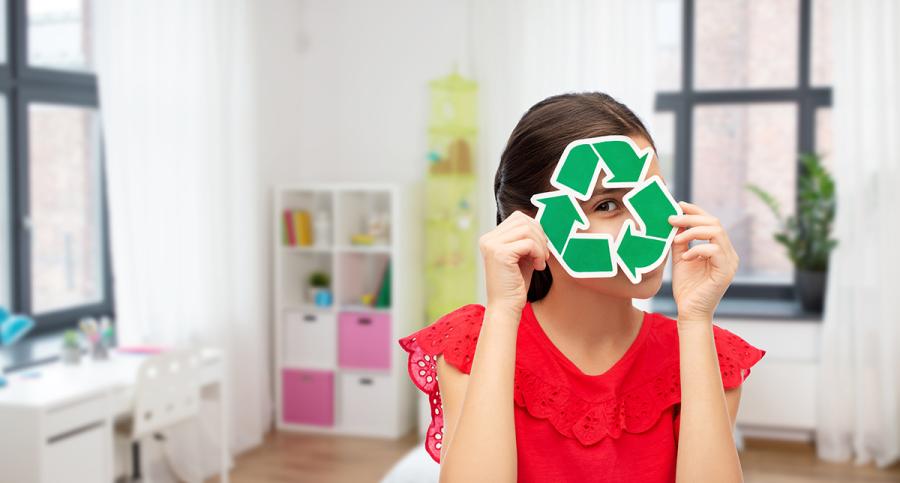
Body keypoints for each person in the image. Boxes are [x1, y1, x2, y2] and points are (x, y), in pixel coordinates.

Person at [398, 92, 765, 482]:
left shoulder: (705, 352)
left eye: (653, 195)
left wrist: (695, 320)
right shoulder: (472, 345)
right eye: (607, 205)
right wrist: (504, 310)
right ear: (533, 225)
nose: (651, 223)